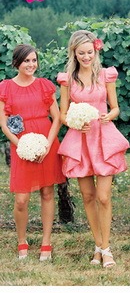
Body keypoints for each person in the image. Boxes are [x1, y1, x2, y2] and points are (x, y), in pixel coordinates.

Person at [57, 30, 129, 268]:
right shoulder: (67, 78)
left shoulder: (106, 75)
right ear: (74, 53)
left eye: (89, 52)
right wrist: (75, 122)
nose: (86, 57)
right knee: (88, 196)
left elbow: (116, 107)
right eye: (81, 53)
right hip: (81, 139)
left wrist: (109, 115)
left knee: (103, 196)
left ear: (95, 50)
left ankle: (106, 248)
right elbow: (63, 114)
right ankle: (98, 246)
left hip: (103, 137)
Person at [0, 44, 65, 261]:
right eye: (26, 60)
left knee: (47, 193)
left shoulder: (45, 86)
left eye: (34, 60)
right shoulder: (5, 87)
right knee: (21, 199)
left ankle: (46, 242)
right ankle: (22, 241)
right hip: (22, 144)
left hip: (46, 141)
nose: (31, 64)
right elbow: (3, 123)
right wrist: (21, 145)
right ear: (17, 62)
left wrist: (47, 145)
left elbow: (56, 117)